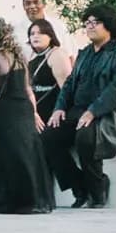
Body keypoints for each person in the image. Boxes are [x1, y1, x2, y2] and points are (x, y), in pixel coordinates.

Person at [0, 17, 55, 212]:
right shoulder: (17, 56)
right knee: (25, 154)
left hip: (5, 113)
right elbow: (28, 89)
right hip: (23, 111)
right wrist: (33, 113)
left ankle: (8, 200)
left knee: (3, 156)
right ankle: (33, 200)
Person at [53, 6, 116, 208]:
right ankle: (79, 187)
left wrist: (93, 111)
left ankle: (97, 191)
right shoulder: (85, 53)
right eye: (87, 22)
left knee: (85, 138)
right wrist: (60, 107)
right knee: (48, 138)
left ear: (109, 25)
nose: (89, 26)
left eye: (95, 22)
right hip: (78, 111)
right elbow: (70, 83)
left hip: (105, 114)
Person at [26, 19, 73, 200]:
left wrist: (59, 111)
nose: (35, 36)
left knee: (47, 139)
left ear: (50, 35)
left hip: (55, 113)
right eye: (32, 33)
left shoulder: (57, 55)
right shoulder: (30, 57)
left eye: (40, 33)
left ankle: (75, 183)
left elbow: (67, 90)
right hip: (36, 114)